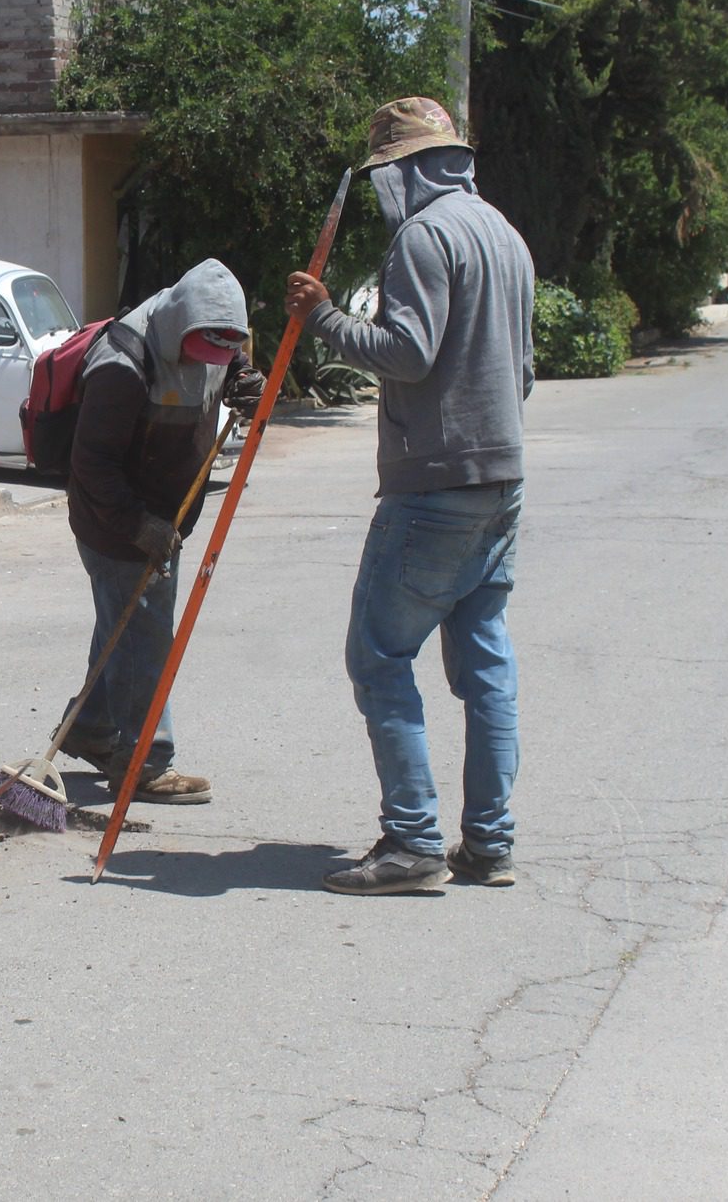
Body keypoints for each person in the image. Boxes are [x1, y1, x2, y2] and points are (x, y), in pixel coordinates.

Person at [284, 97, 535, 895]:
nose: (384, 192)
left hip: (436, 484)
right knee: (484, 661)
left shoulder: (424, 236)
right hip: (501, 479)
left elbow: (409, 352)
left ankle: (414, 840)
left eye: (385, 176)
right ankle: (488, 844)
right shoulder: (503, 233)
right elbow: (521, 368)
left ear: (406, 170)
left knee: (378, 654)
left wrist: (320, 317)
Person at [62, 258, 265, 804]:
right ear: (181, 327)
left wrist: (243, 380)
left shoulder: (209, 333)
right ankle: (145, 761)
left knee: (122, 625)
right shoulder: (121, 366)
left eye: (229, 347)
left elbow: (230, 356)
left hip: (165, 514)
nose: (219, 358)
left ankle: (91, 728)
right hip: (115, 520)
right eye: (212, 347)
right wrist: (138, 526)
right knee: (145, 635)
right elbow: (93, 465)